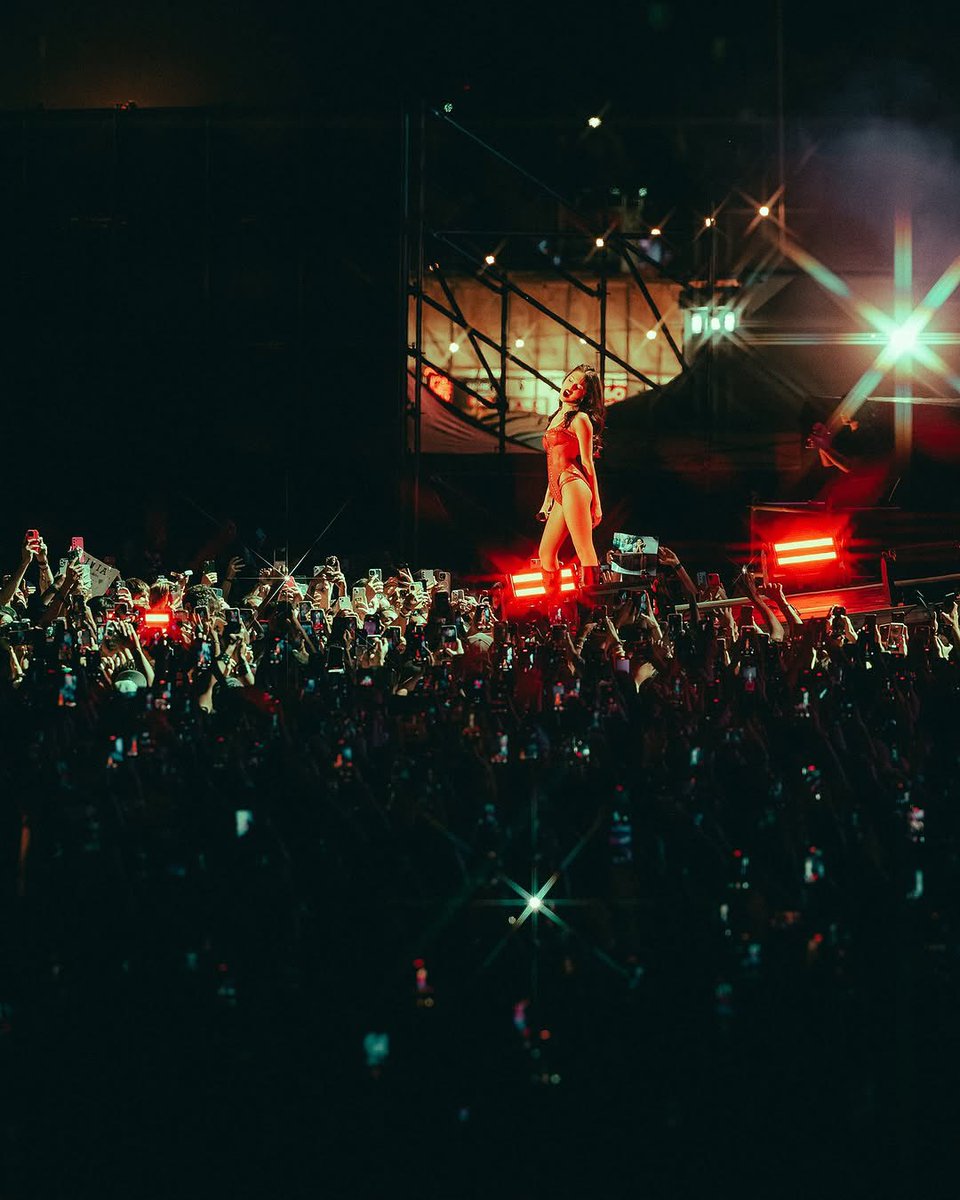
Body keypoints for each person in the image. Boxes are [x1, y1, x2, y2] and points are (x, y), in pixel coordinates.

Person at [536, 363, 604, 589]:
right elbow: (553, 461)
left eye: (579, 386)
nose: (571, 387)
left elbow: (587, 463)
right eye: (570, 380)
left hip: (574, 484)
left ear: (585, 395)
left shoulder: (581, 419)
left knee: (584, 548)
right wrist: (547, 500)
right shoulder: (556, 416)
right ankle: (557, 608)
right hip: (559, 488)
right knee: (546, 552)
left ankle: (593, 612)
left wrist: (597, 505)